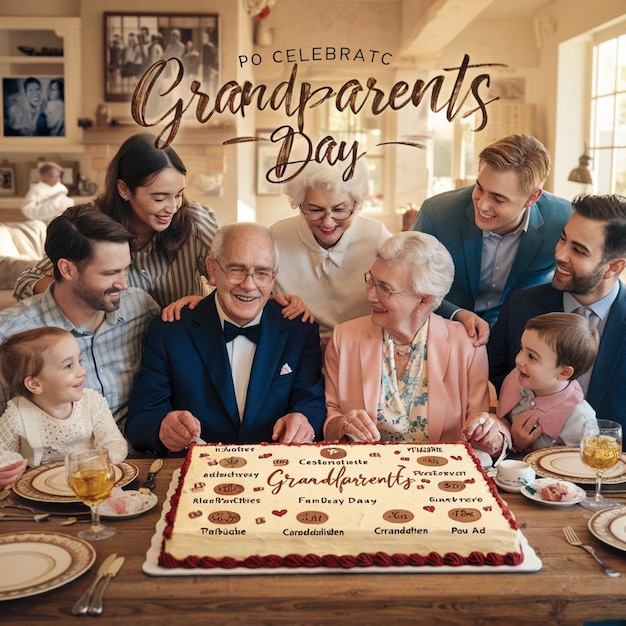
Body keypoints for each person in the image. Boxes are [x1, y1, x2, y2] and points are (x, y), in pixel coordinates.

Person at [125, 223, 326, 454]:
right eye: (237, 270)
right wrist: (162, 427)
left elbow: (312, 403)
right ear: (212, 270)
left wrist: (304, 420)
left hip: (276, 471)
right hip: (196, 473)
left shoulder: (299, 330)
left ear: (274, 277)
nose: (249, 285)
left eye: (261, 273)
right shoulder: (170, 330)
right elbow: (141, 418)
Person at [323, 231, 509, 460]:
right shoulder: (344, 338)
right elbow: (330, 416)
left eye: (384, 288)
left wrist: (488, 433)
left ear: (424, 300)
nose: (370, 295)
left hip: (438, 477)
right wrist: (342, 424)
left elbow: (480, 429)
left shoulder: (466, 345)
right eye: (371, 281)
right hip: (364, 475)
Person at [14, 133, 219, 309]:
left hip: (184, 347)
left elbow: (237, 276)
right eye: (159, 198)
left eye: (178, 195)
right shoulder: (92, 226)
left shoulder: (194, 222)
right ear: (124, 189)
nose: (173, 207)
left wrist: (205, 303)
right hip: (115, 351)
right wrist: (75, 293)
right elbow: (26, 283)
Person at [0, 204, 160, 426]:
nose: (123, 284)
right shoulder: (9, 334)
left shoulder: (140, 307)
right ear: (67, 270)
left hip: (140, 454)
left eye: (125, 270)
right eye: (110, 273)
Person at [413, 134, 572, 344]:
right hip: (445, 335)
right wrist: (457, 314)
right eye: (479, 188)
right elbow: (410, 283)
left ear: (532, 197)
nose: (482, 205)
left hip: (522, 342)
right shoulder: (437, 213)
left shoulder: (564, 220)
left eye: (498, 198)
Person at [488, 194, 626, 430]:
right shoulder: (520, 306)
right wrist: (509, 431)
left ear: (614, 267)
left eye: (579, 251)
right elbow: (495, 380)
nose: (560, 255)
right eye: (563, 239)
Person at [269, 159, 392, 350]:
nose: (327, 222)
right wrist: (270, 301)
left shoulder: (378, 238)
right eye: (315, 210)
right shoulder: (277, 237)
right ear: (300, 204)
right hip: (297, 349)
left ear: (356, 204)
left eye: (339, 210)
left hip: (363, 348)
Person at [0, 327, 128, 489]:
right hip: (41, 490)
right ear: (35, 384)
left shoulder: (92, 402)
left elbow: (114, 440)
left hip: (92, 482)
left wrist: (99, 461)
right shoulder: (17, 414)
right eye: (68, 366)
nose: (81, 371)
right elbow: (2, 452)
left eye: (79, 361)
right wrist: (10, 468)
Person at [483, 313, 598, 457]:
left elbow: (582, 465)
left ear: (564, 372)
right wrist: (511, 439)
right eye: (521, 349)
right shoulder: (516, 381)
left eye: (531, 356)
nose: (519, 360)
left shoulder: (580, 418)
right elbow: (502, 421)